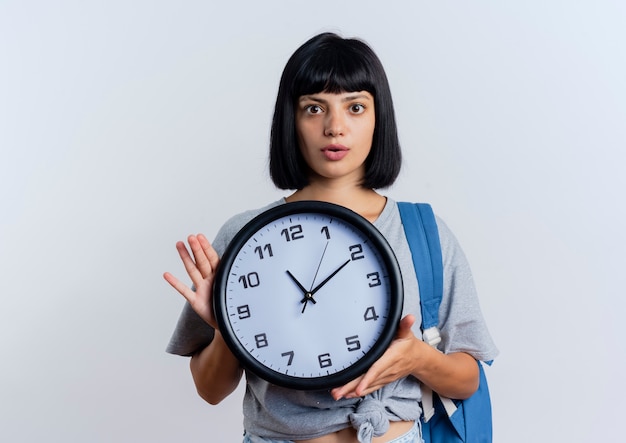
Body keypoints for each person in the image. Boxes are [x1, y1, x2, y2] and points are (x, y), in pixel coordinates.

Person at [164, 32, 498, 443]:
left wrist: (417, 357)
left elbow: (467, 381)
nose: (335, 126)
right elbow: (210, 391)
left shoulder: (424, 233)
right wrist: (227, 331)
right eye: (314, 108)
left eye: (355, 107)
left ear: (379, 118)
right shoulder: (246, 238)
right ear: (291, 119)